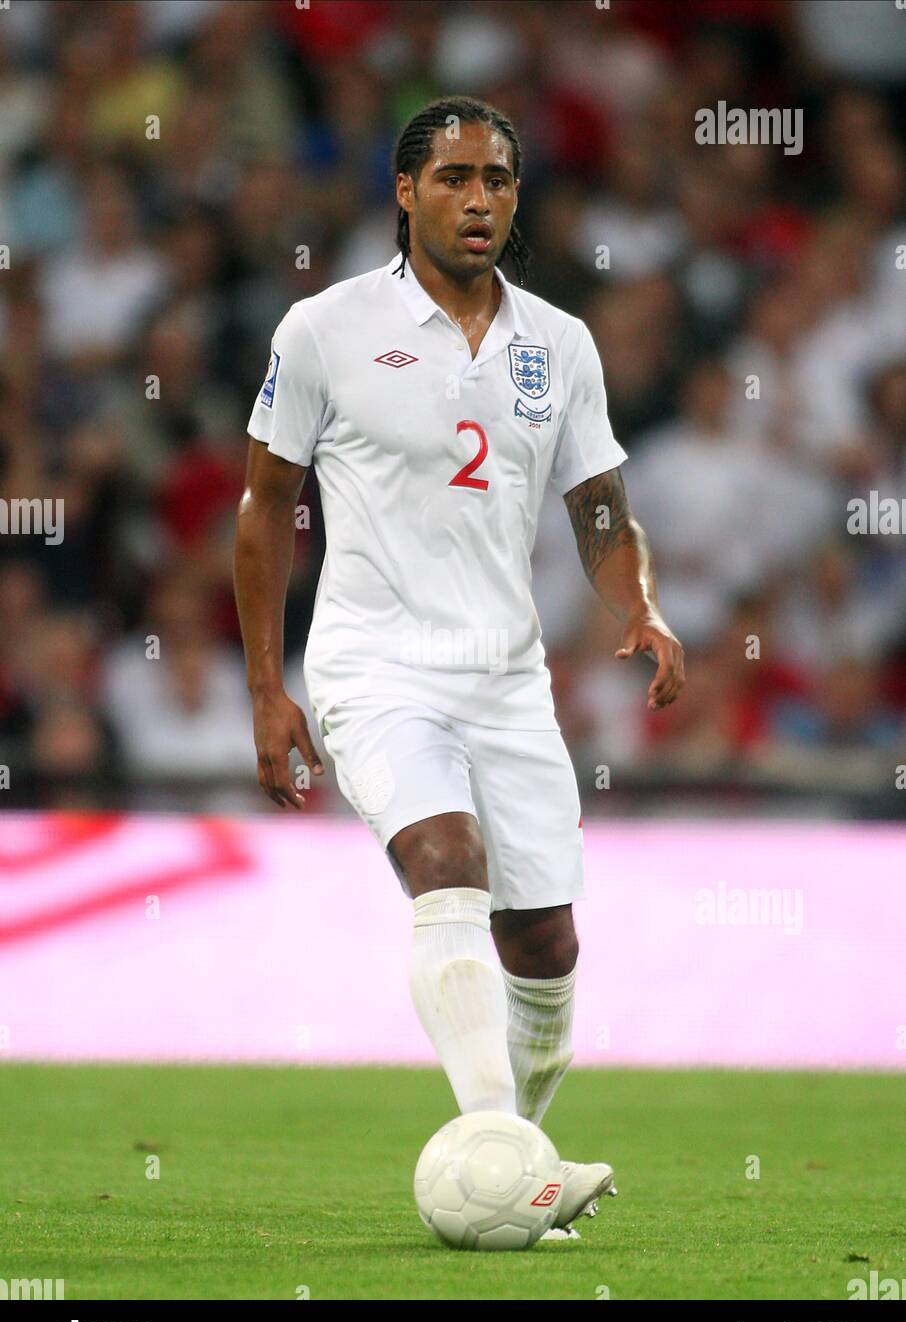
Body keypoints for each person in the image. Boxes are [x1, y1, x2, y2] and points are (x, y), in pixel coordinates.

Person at [234, 97, 685, 1239]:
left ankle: (513, 1159)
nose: (477, 199)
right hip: (372, 662)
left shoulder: (557, 344)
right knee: (448, 860)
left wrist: (638, 603)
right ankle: (502, 1151)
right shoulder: (323, 329)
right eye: (452, 179)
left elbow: (599, 510)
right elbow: (260, 510)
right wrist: (263, 687)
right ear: (404, 192)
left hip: (504, 676)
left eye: (496, 180)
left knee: (545, 942)